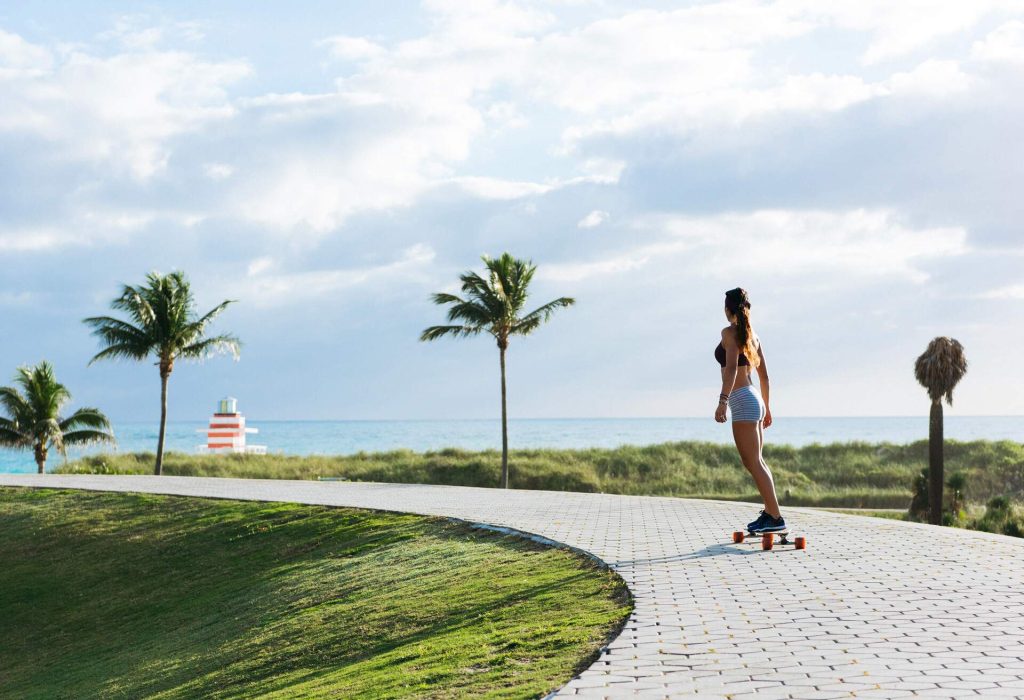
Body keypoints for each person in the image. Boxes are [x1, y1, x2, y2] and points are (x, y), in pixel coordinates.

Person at [714, 288, 786, 534]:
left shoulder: (729, 332)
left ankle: (776, 517)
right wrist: (767, 407)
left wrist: (723, 400)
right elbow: (764, 377)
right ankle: (770, 512)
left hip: (742, 399)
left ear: (728, 310)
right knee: (758, 461)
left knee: (752, 462)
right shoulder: (753, 336)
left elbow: (732, 368)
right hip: (755, 398)